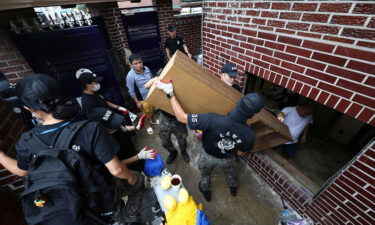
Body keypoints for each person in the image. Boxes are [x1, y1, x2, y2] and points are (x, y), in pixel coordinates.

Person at [0, 74, 144, 224]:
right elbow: (117, 170)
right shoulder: (90, 129)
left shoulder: (26, 141)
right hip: (100, 202)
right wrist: (132, 177)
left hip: (66, 208)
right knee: (137, 182)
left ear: (29, 109)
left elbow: (22, 171)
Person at [155, 80, 264, 202]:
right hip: (228, 159)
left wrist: (170, 92)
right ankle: (233, 188)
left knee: (205, 175)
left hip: (207, 156)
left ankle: (206, 191)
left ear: (238, 103)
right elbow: (241, 153)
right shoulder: (249, 134)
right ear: (254, 114)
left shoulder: (211, 119)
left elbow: (181, 117)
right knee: (231, 173)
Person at [77, 68, 151, 172]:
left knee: (129, 147)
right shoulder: (88, 102)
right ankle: (136, 172)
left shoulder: (94, 93)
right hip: (111, 133)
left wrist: (118, 107)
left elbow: (105, 102)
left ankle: (139, 163)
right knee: (124, 154)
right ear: (87, 85)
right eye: (94, 82)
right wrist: (120, 128)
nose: (97, 84)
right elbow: (102, 124)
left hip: (114, 124)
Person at [144, 78, 190, 164]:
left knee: (182, 138)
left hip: (178, 118)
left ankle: (183, 151)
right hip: (165, 118)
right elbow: (146, 86)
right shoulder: (162, 80)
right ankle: (173, 152)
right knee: (164, 141)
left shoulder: (181, 82)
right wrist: (158, 78)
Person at [126, 54, 158, 135]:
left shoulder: (147, 68)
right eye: (135, 63)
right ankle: (148, 126)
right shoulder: (130, 76)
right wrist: (137, 102)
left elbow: (152, 79)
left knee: (153, 109)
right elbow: (131, 91)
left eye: (140, 62)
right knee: (146, 114)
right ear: (131, 64)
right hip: (142, 99)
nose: (139, 65)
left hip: (152, 94)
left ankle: (154, 120)